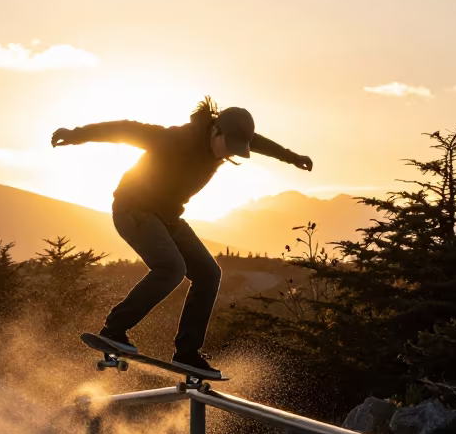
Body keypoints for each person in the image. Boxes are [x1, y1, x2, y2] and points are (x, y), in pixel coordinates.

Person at [51, 98, 313, 377]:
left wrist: (292, 157)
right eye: (228, 147)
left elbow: (257, 142)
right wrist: (76, 134)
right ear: (216, 131)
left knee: (209, 273)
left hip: (168, 217)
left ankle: (187, 353)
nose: (227, 156)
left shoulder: (227, 139)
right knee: (171, 268)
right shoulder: (176, 139)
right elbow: (126, 129)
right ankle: (114, 329)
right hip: (133, 209)